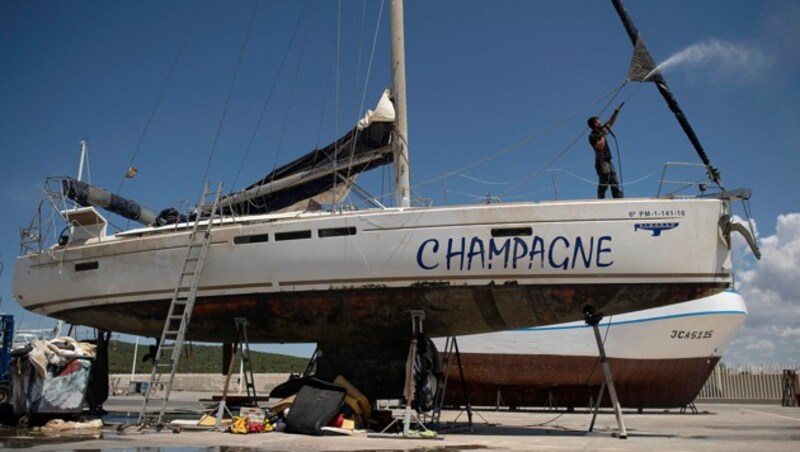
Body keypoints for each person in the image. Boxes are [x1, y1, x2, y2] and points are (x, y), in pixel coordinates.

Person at [588, 104, 624, 199]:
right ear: (595, 124)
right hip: (601, 161)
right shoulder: (593, 136)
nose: (600, 122)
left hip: (608, 160)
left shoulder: (601, 131)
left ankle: (618, 199)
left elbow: (610, 122)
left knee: (614, 181)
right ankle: (600, 199)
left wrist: (615, 113)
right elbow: (600, 146)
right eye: (598, 121)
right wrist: (603, 135)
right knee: (604, 180)